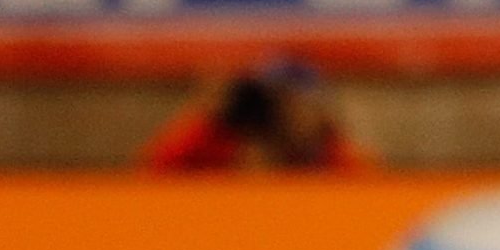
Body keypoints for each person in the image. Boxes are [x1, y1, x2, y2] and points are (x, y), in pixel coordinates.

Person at [141, 61, 370, 170]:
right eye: (273, 102)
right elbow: (154, 173)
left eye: (291, 101)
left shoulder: (334, 157)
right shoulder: (220, 145)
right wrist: (211, 122)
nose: (279, 114)